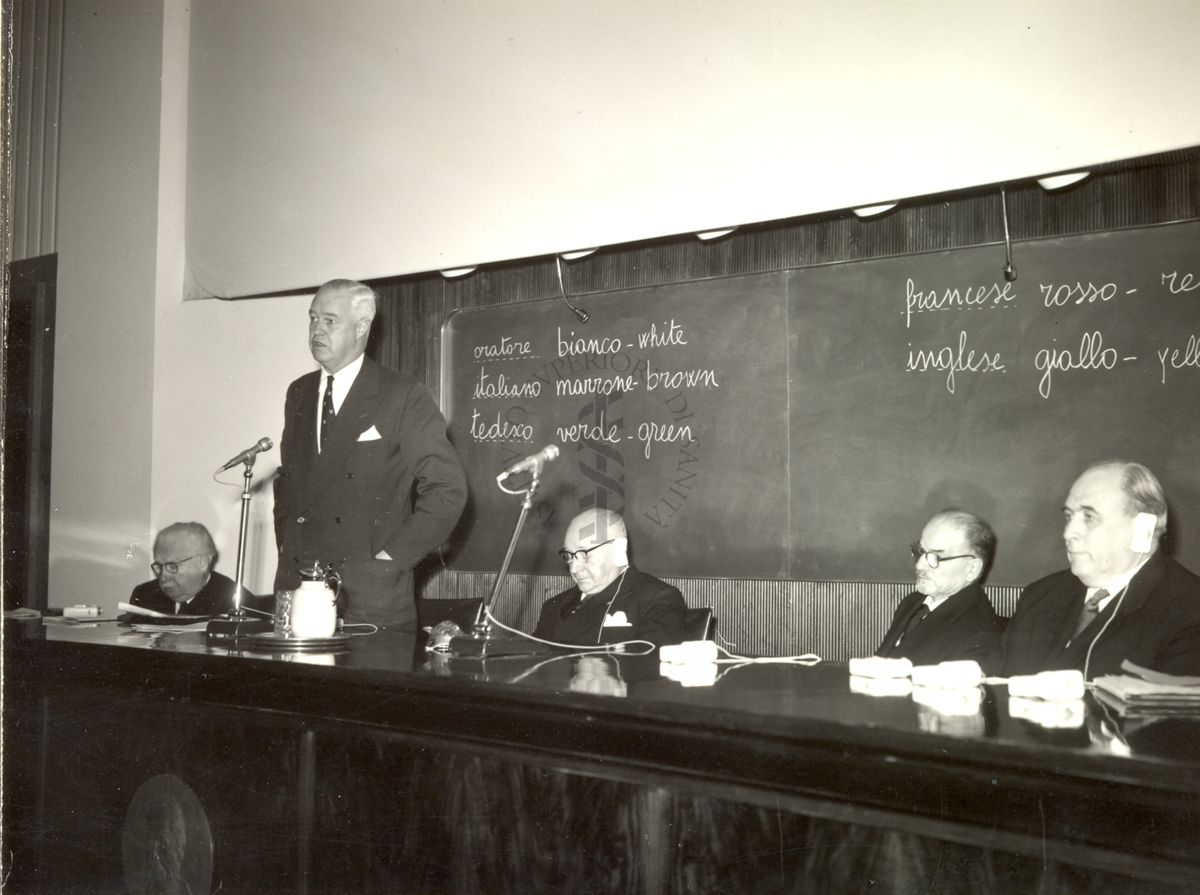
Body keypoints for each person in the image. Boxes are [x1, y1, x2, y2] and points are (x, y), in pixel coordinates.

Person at [273, 278, 467, 628]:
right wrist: (287, 552)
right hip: (299, 589)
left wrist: (390, 560)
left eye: (329, 321)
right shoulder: (299, 393)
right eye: (313, 318)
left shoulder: (401, 394)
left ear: (362, 327)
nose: (317, 330)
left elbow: (447, 490)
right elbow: (289, 484)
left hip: (368, 595)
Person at [1002, 461, 1200, 679]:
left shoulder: (1190, 609)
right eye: (1069, 516)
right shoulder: (1038, 597)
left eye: (1089, 517)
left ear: (1144, 528)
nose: (1068, 533)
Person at [534, 509, 687, 647]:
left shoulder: (658, 600)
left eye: (584, 555)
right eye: (569, 556)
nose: (573, 568)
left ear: (619, 549)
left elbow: (651, 665)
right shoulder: (553, 606)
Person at [875, 509, 1003, 672]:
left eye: (937, 557)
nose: (919, 565)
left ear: (972, 568)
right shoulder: (913, 603)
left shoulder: (980, 634)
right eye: (920, 552)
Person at [129, 522, 250, 616]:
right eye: (159, 566)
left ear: (202, 563)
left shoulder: (236, 603)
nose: (163, 576)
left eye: (172, 566)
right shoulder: (144, 595)